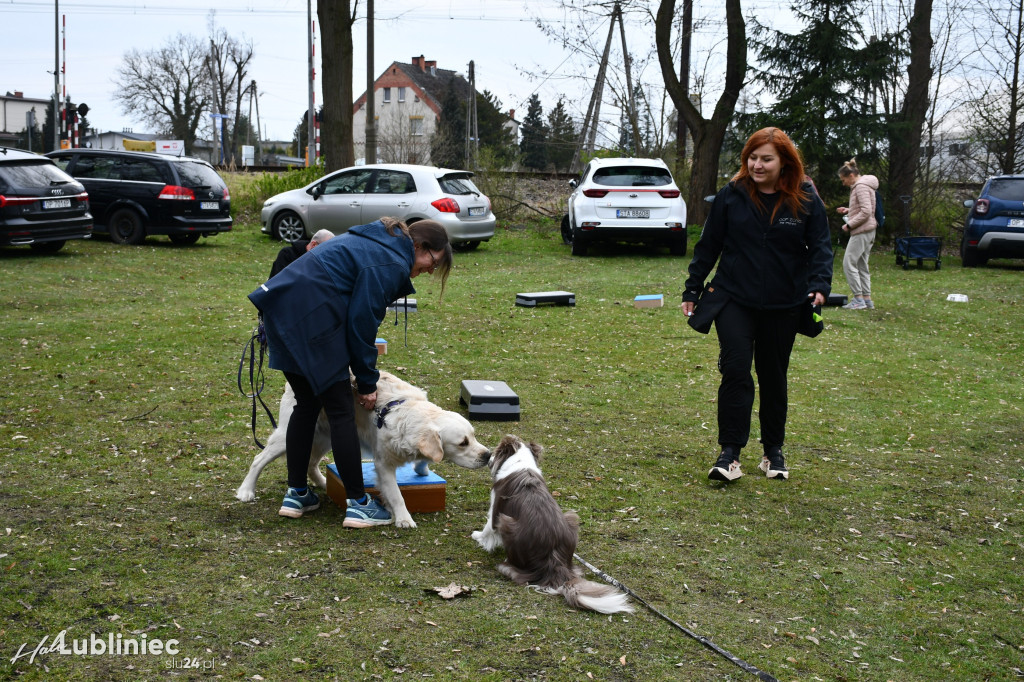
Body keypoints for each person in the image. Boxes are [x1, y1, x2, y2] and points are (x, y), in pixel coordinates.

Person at [248, 217, 452, 527]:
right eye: (431, 260)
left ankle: (297, 494)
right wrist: (367, 382)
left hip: (280, 315)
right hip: (311, 322)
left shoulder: (375, 244)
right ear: (419, 246)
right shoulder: (390, 261)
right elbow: (362, 321)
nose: (429, 270)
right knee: (341, 409)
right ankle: (358, 504)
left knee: (306, 404)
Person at [681, 127, 833, 482]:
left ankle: (772, 451)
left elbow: (822, 247)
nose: (757, 165)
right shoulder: (731, 196)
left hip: (785, 302)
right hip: (734, 296)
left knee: (772, 374)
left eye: (766, 159)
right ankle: (729, 454)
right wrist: (692, 289)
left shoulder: (805, 198)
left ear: (784, 162)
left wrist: (819, 286)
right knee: (735, 368)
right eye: (752, 157)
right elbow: (708, 246)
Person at [836, 158, 879, 310]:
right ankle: (866, 299)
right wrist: (849, 210)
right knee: (861, 264)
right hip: (869, 230)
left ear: (851, 176)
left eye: (843, 180)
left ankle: (858, 299)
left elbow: (867, 211)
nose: (843, 183)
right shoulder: (865, 185)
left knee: (849, 263)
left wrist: (849, 224)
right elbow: (865, 207)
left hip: (862, 230)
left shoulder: (860, 187)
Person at [269, 229, 335, 279]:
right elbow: (277, 282)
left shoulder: (324, 262)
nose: (327, 255)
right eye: (325, 250)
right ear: (314, 244)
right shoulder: (287, 254)